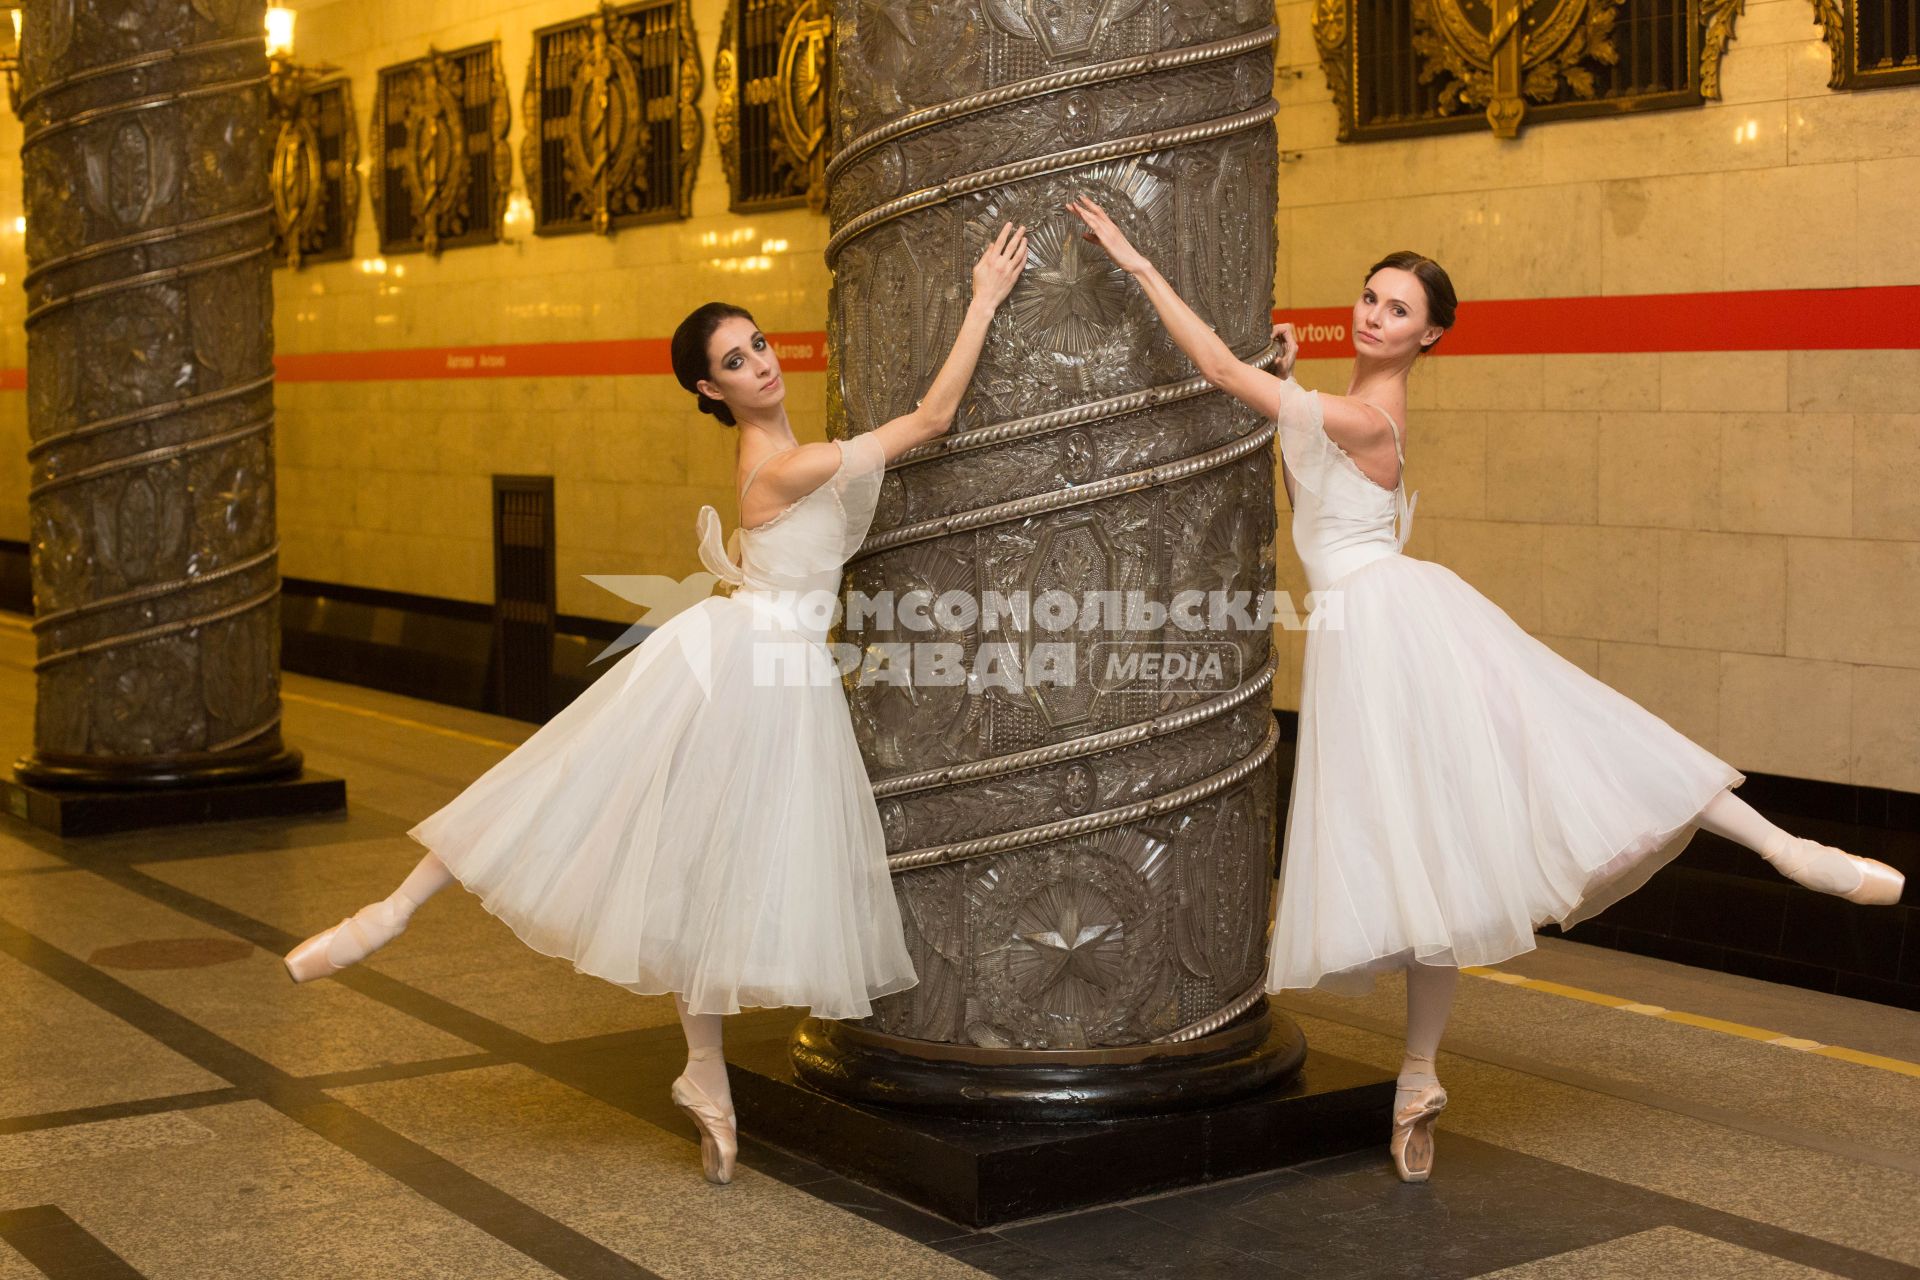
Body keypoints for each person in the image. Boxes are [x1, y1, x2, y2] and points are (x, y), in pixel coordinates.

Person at [1065, 196, 1902, 1184]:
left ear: (1432, 336)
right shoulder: (1339, 404)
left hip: (1396, 623)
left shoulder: (1370, 415)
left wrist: (1136, 260)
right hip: (1359, 634)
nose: (1375, 314)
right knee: (1439, 854)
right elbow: (1307, 501)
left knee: (1564, 741)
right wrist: (1289, 380)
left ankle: (1788, 846)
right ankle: (1417, 1079)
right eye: (1372, 297)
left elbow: (1217, 371)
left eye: (1398, 309)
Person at [284, 222, 1033, 1185]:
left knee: (695, 863)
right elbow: (930, 421)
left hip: (772, 661)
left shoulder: (787, 447)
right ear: (707, 391)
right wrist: (981, 298)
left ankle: (704, 1072)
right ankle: (388, 914)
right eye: (735, 360)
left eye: (759, 343)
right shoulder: (783, 464)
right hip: (751, 661)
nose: (760, 363)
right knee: (577, 789)